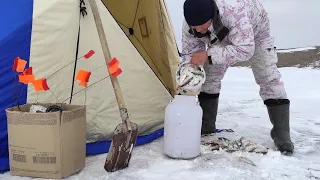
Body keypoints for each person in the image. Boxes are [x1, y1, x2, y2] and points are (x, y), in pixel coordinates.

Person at [181, 0, 294, 154]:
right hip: (219, 38)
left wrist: (208, 54)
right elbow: (190, 54)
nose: (199, 30)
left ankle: (283, 138)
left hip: (255, 35)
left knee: (269, 78)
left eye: (202, 25)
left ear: (212, 15)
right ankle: (206, 130)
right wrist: (187, 77)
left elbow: (246, 50)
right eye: (195, 27)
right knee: (210, 78)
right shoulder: (189, 25)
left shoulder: (234, 12)